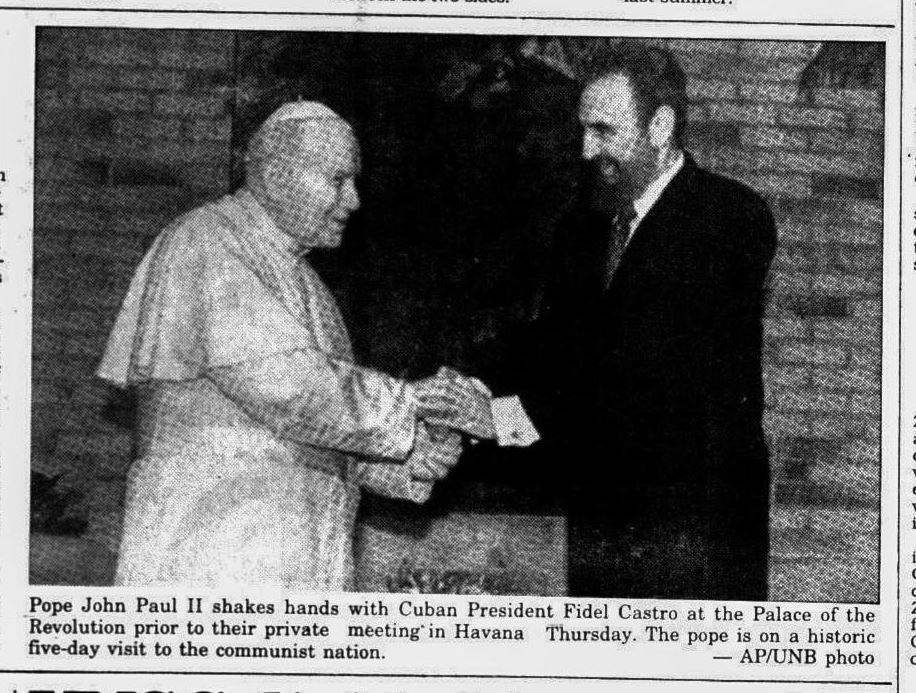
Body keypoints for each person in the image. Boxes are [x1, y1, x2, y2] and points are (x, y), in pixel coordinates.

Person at [97, 101, 493, 589]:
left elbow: (313, 432)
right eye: (337, 180)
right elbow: (287, 386)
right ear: (276, 174)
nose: (354, 201)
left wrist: (410, 457)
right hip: (217, 536)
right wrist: (410, 403)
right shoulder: (208, 241)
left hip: (288, 541)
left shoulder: (305, 280)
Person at [487, 43, 777, 599]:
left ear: (659, 127)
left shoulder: (730, 217)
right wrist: (478, 402)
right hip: (599, 528)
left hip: (693, 540)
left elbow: (648, 372)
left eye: (603, 131)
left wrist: (500, 418)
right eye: (583, 131)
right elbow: (553, 358)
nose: (586, 149)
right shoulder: (580, 230)